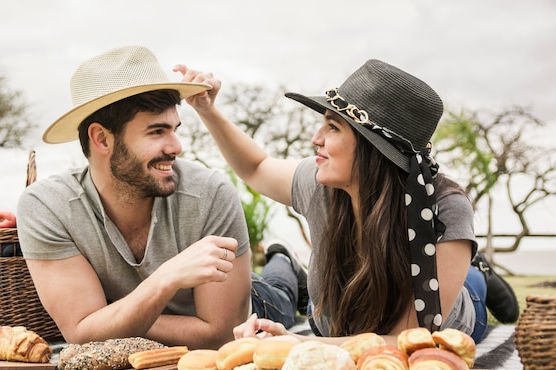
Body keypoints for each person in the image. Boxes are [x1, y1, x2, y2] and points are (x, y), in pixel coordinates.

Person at [177, 59, 519, 345]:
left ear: (374, 149)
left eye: (333, 127)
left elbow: (410, 338)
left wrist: (301, 343)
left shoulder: (444, 208)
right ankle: (293, 268)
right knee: (314, 296)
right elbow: (256, 167)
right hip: (345, 313)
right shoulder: (320, 183)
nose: (316, 139)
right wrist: (208, 111)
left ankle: (475, 269)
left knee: (470, 285)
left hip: (444, 322)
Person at [15, 46, 306, 349]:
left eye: (174, 129)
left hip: (253, 304)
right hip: (181, 306)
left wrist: (109, 318)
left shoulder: (209, 193)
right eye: (157, 132)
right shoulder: (48, 205)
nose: (176, 146)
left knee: (280, 296)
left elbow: (221, 335)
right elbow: (81, 332)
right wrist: (167, 278)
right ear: (101, 139)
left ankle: (284, 261)